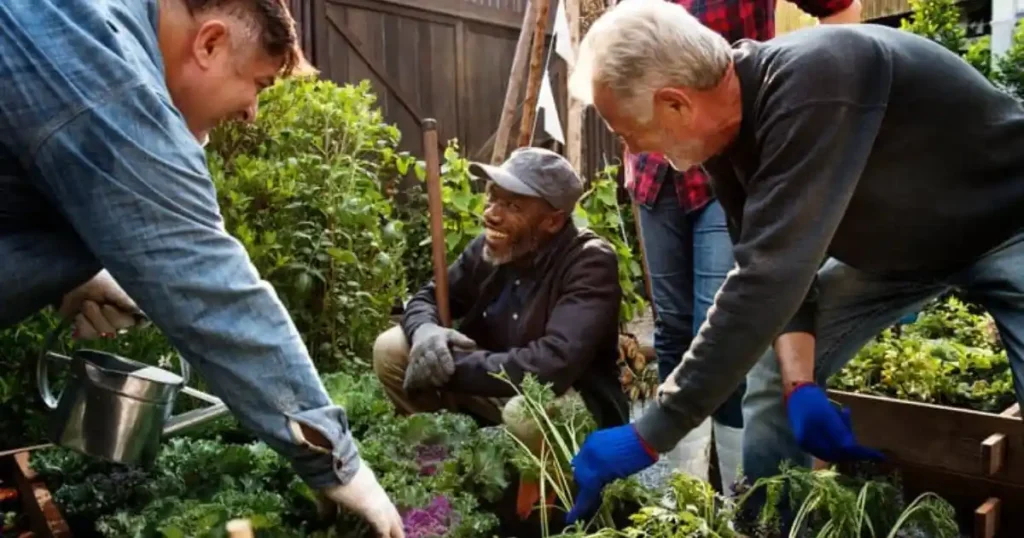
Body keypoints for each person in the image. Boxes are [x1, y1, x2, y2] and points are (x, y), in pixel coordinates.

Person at [561, 0, 1024, 524]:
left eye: (626, 133)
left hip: (1007, 225)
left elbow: (766, 281)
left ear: (675, 104)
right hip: (904, 259)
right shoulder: (724, 147)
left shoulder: (815, 79)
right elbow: (779, 277)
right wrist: (800, 385)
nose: (633, 147)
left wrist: (651, 433)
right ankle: (767, 523)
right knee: (773, 370)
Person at [0, 1, 405, 536]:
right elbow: (205, 279)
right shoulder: (105, 70)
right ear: (209, 43)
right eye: (259, 84)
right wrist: (337, 461)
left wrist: (66, 273)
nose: (253, 113)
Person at [622, 0, 861, 492]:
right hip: (655, 176)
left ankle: (739, 494)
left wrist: (803, 119)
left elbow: (840, 13)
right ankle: (686, 496)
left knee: (726, 318)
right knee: (670, 327)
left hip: (727, 163)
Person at [373, 146, 629, 517]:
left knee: (527, 411)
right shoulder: (491, 247)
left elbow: (551, 365)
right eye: (492, 197)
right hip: (496, 387)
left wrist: (453, 367)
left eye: (513, 206)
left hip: (569, 406)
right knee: (391, 347)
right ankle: (448, 471)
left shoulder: (588, 262)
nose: (491, 213)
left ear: (553, 222)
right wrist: (427, 331)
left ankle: (554, 502)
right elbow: (426, 296)